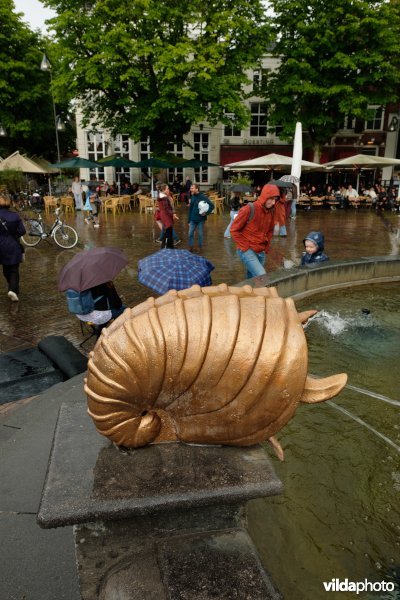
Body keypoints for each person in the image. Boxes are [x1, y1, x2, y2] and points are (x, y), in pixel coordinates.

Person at [230, 183, 279, 279]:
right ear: (265, 196)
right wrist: (245, 247)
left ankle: (248, 292)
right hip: (247, 250)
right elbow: (234, 230)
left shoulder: (271, 211)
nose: (273, 203)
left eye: (275, 200)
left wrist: (266, 247)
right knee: (262, 277)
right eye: (271, 199)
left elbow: (270, 230)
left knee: (252, 278)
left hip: (261, 250)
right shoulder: (248, 209)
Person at [0, 195, 26, 301]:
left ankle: (12, 287)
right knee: (14, 269)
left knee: (6, 268)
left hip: (0, 246)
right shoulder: (14, 216)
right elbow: (22, 231)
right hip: (12, 245)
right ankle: (13, 289)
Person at [188, 183, 214, 252]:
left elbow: (212, 205)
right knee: (190, 234)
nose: (191, 189)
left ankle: (200, 247)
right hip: (193, 219)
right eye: (191, 188)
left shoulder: (203, 197)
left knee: (200, 234)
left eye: (192, 188)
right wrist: (189, 220)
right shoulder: (192, 196)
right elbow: (190, 209)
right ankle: (191, 247)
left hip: (200, 219)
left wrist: (206, 212)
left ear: (197, 189)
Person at [157, 183, 179, 248]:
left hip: (165, 215)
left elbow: (168, 207)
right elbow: (167, 208)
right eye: (167, 188)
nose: (168, 190)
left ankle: (170, 246)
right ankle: (165, 247)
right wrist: (173, 214)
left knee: (168, 231)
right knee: (168, 232)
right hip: (166, 216)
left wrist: (173, 213)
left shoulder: (164, 197)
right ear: (164, 190)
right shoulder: (164, 198)